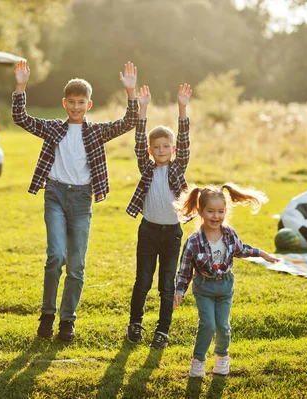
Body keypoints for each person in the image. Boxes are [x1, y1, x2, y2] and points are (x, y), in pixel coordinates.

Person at [12, 60, 139, 341]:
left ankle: (67, 321)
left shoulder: (95, 132)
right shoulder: (54, 128)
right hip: (55, 194)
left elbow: (129, 122)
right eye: (71, 102)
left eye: (81, 102)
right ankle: (47, 315)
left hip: (82, 199)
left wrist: (130, 92)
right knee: (55, 256)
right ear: (64, 103)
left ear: (89, 105)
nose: (76, 107)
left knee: (77, 263)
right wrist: (21, 85)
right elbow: (22, 118)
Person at [173, 183, 279, 377]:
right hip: (203, 287)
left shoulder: (228, 233)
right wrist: (179, 291)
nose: (216, 216)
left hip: (225, 286)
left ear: (225, 211)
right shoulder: (194, 241)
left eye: (220, 211)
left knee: (222, 325)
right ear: (201, 211)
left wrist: (263, 254)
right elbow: (185, 270)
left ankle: (222, 358)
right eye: (211, 211)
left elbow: (241, 249)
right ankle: (198, 360)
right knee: (208, 324)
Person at [125, 83, 192, 349]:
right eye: (157, 147)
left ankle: (162, 330)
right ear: (151, 151)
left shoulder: (178, 168)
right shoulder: (146, 168)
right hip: (149, 231)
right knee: (143, 280)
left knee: (167, 284)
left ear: (173, 149)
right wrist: (143, 108)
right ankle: (135, 324)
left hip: (172, 234)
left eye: (166, 146)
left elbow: (185, 141)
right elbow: (139, 140)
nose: (161, 150)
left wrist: (182, 107)